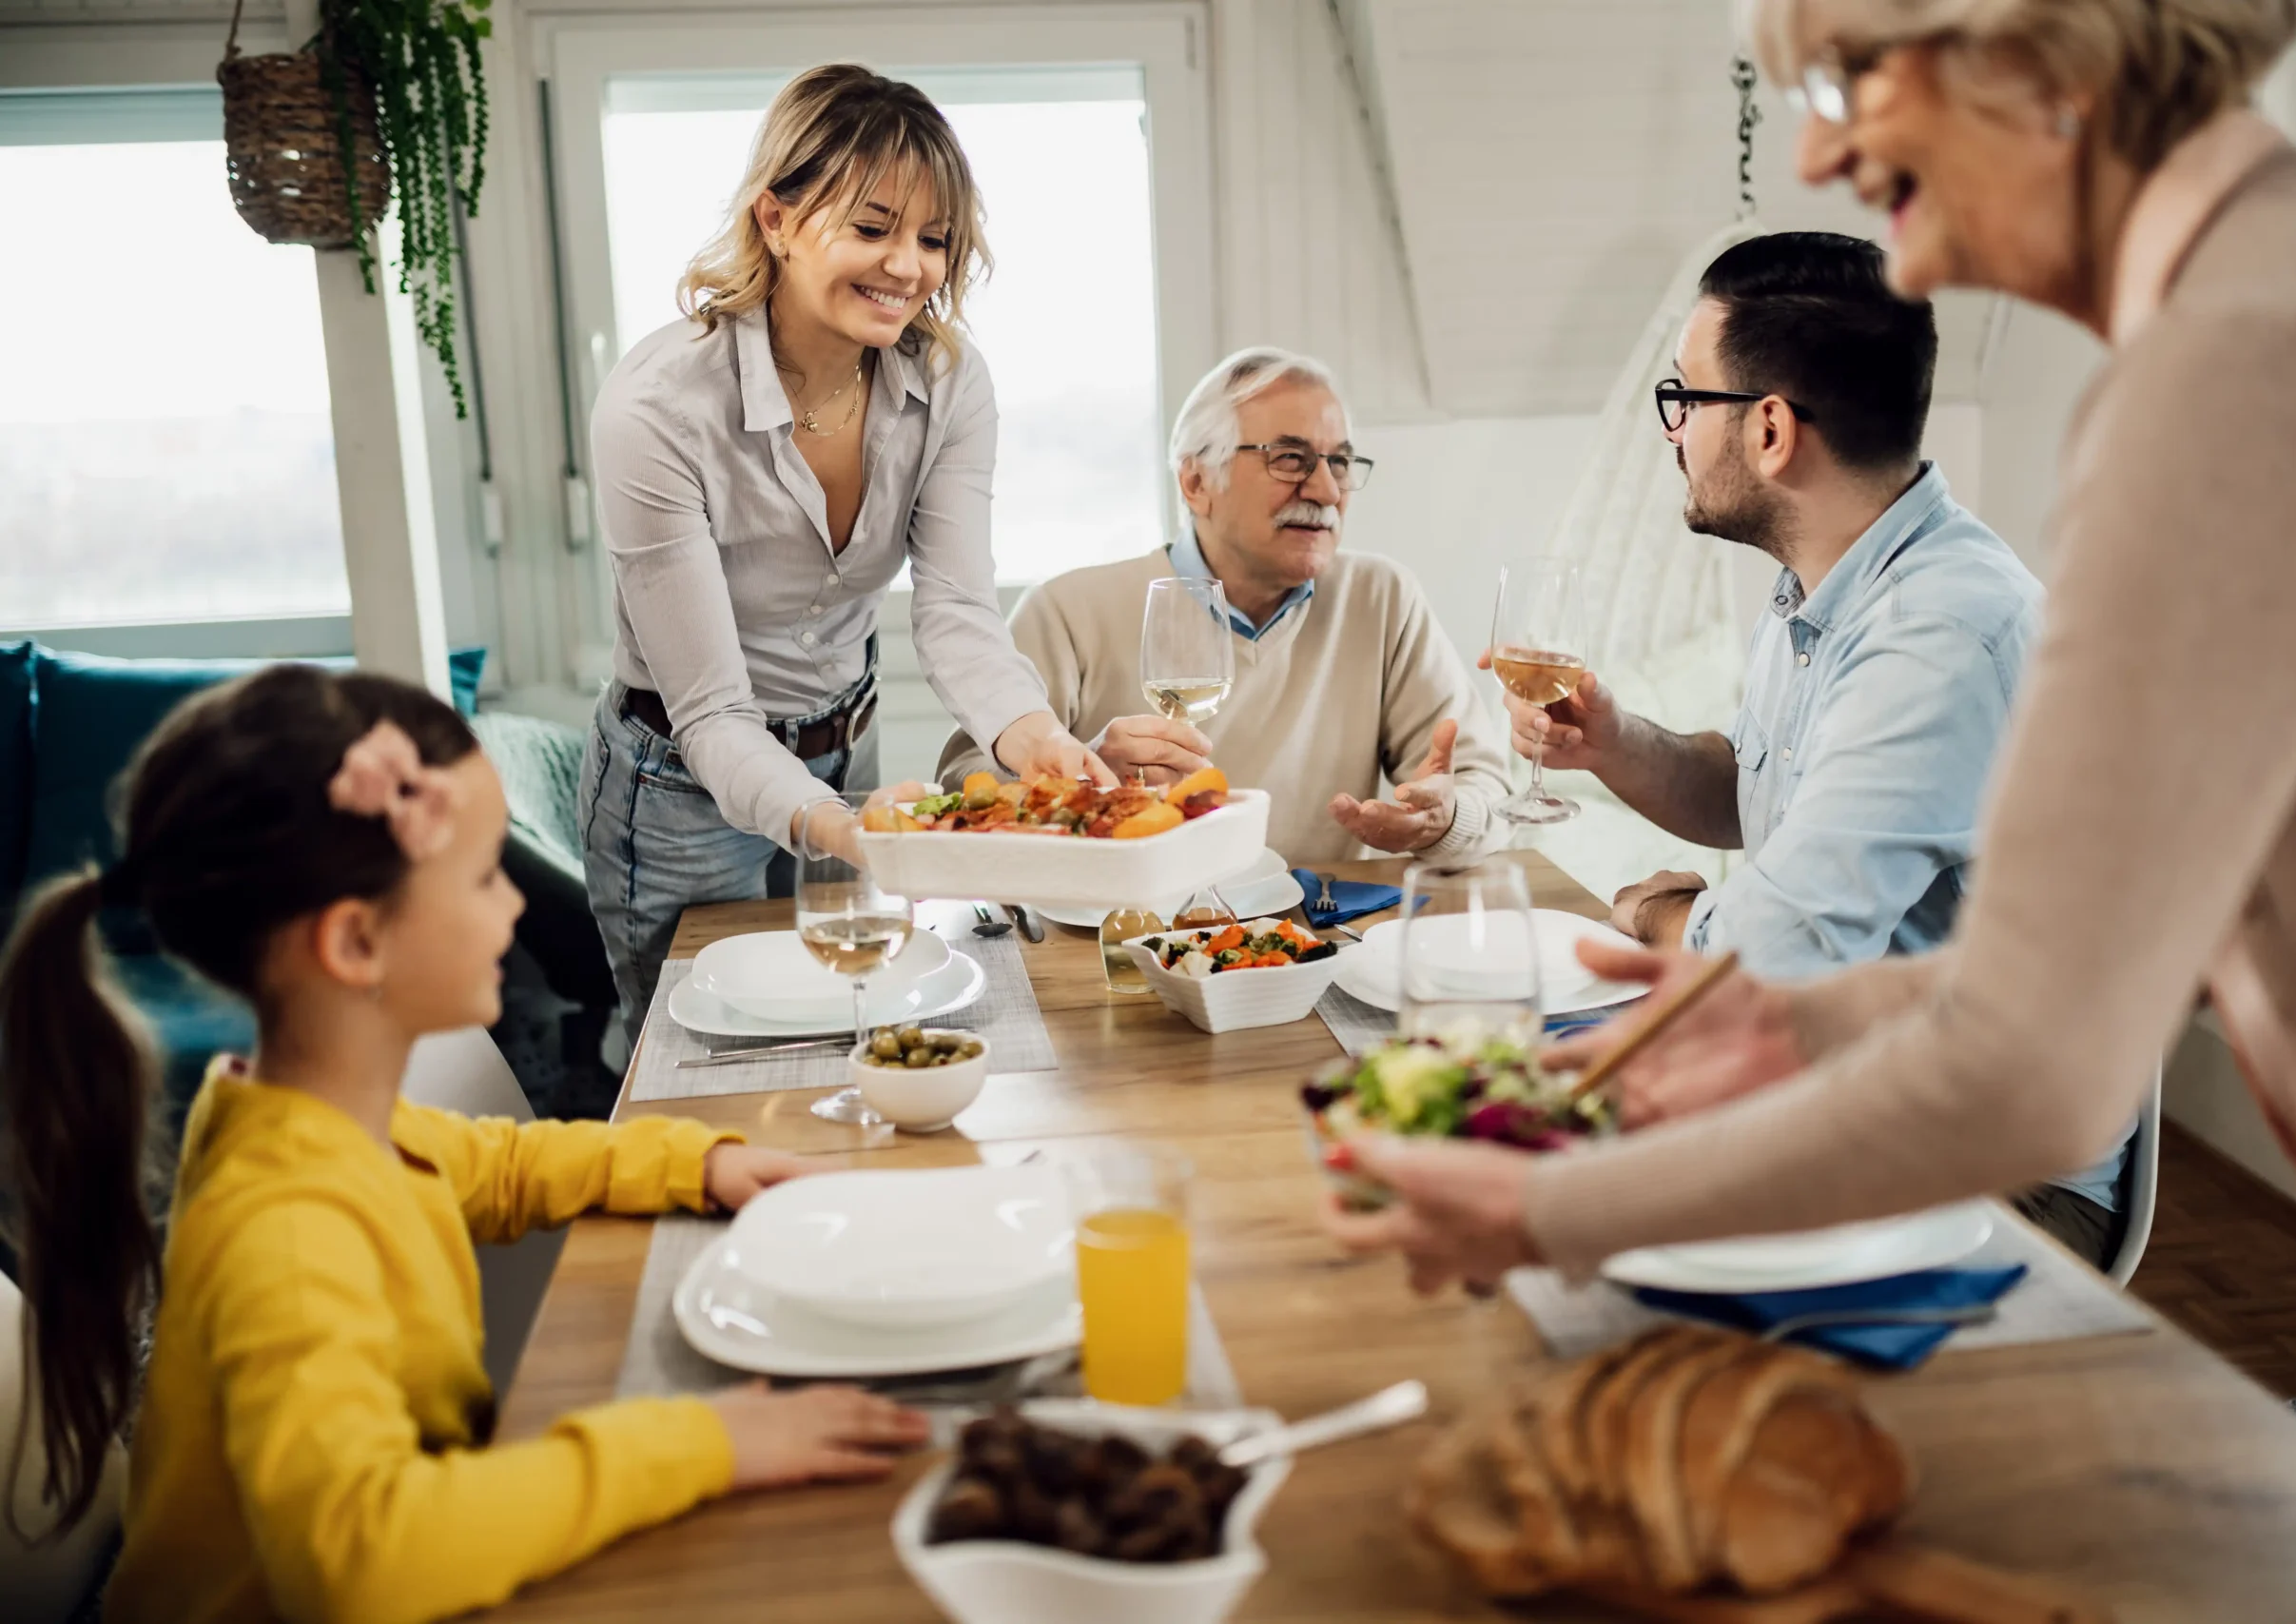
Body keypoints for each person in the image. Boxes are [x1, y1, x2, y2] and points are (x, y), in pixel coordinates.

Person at [1320, 0, 2296, 1341]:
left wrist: (1548, 1208)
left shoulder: (2231, 372)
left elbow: (2035, 1058)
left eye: (1853, 76)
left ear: (2033, 53)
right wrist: (1775, 1006)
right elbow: (2131, 944)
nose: (1814, 156)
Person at [0, 667, 929, 1621]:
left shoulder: (324, 1120)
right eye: (482, 877)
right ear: (356, 944)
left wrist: (693, 1161)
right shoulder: (283, 1230)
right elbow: (371, 1559)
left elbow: (498, 1164)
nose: (511, 909)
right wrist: (706, 1443)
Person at [1498, 231, 2121, 1262]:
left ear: (1773, 429)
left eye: (1684, 402)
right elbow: (1750, 791)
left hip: (1996, 1181)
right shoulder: (1825, 586)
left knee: (1551, 1223)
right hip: (1852, 1096)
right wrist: (1614, 742)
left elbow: (1765, 964)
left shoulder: (1940, 636)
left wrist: (1656, 915)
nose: (1673, 434)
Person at [586, 65, 1106, 1052]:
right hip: (677, 789)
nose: (908, 267)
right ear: (775, 220)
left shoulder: (948, 382)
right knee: (695, 1062)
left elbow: (955, 611)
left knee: (849, 1028)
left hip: (843, 746)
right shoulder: (656, 409)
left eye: (932, 238)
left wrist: (1035, 737)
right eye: (872, 229)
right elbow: (712, 712)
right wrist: (842, 830)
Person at [938, 346, 1513, 863]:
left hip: (1313, 935)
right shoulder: (1067, 609)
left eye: (1339, 462)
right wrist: (1078, 778)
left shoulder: (1382, 598)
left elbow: (1486, 788)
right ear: (1195, 482)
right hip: (1112, 944)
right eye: (1289, 459)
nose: (1327, 490)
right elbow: (962, 786)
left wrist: (1444, 820)